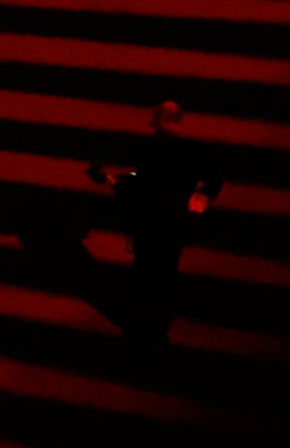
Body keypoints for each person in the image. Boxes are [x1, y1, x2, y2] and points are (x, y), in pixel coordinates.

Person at [91, 100, 219, 333]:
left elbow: (138, 182)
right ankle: (161, 318)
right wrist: (194, 210)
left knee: (146, 271)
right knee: (167, 269)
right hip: (176, 222)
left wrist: (109, 178)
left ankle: (144, 321)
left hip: (148, 222)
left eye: (154, 122)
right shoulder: (194, 150)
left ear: (160, 122)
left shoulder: (152, 150)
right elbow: (212, 183)